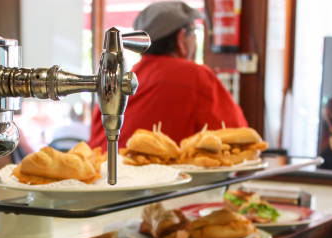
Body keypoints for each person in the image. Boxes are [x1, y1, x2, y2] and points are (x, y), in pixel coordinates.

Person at [89, 1, 247, 150]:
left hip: (104, 174)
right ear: (181, 39)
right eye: (194, 32)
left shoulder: (117, 82)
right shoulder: (196, 76)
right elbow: (239, 140)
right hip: (160, 178)